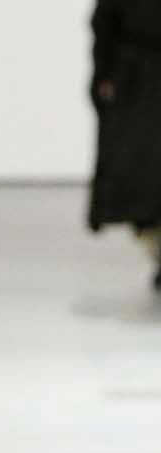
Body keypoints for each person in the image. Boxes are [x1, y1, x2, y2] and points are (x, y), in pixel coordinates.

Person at [89, 0, 161, 286]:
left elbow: (104, 23)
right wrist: (105, 73)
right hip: (136, 81)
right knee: (142, 173)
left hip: (135, 78)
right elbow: (105, 23)